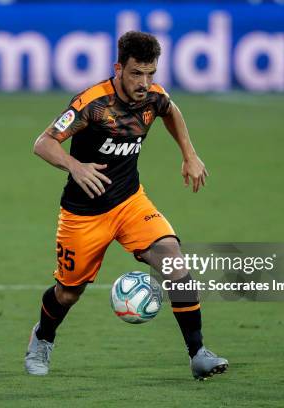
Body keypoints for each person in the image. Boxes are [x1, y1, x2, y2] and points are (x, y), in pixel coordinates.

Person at [25, 31, 228, 380]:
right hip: (84, 215)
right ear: (119, 68)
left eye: (151, 73)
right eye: (136, 73)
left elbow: (171, 109)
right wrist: (75, 166)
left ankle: (198, 353)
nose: (144, 82)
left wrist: (189, 154)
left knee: (173, 260)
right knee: (68, 293)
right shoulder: (93, 103)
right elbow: (43, 143)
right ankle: (43, 338)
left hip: (131, 203)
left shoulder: (153, 97)